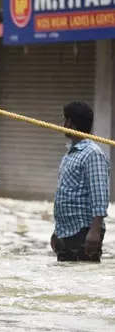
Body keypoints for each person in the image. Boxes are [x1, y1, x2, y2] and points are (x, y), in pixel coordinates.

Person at [51, 101, 109, 262]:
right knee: (67, 285)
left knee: (83, 280)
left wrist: (95, 231)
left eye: (64, 120)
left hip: (84, 232)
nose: (62, 124)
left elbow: (99, 195)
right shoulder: (71, 153)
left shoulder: (92, 154)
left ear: (70, 123)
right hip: (67, 233)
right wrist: (57, 232)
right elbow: (66, 193)